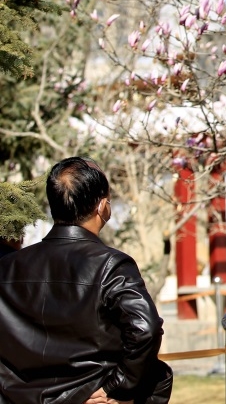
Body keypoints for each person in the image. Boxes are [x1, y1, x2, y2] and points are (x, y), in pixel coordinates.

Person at [0, 156, 172, 404]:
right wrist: (117, 387)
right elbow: (146, 330)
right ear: (103, 206)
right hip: (91, 396)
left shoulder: (7, 266)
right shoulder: (111, 265)